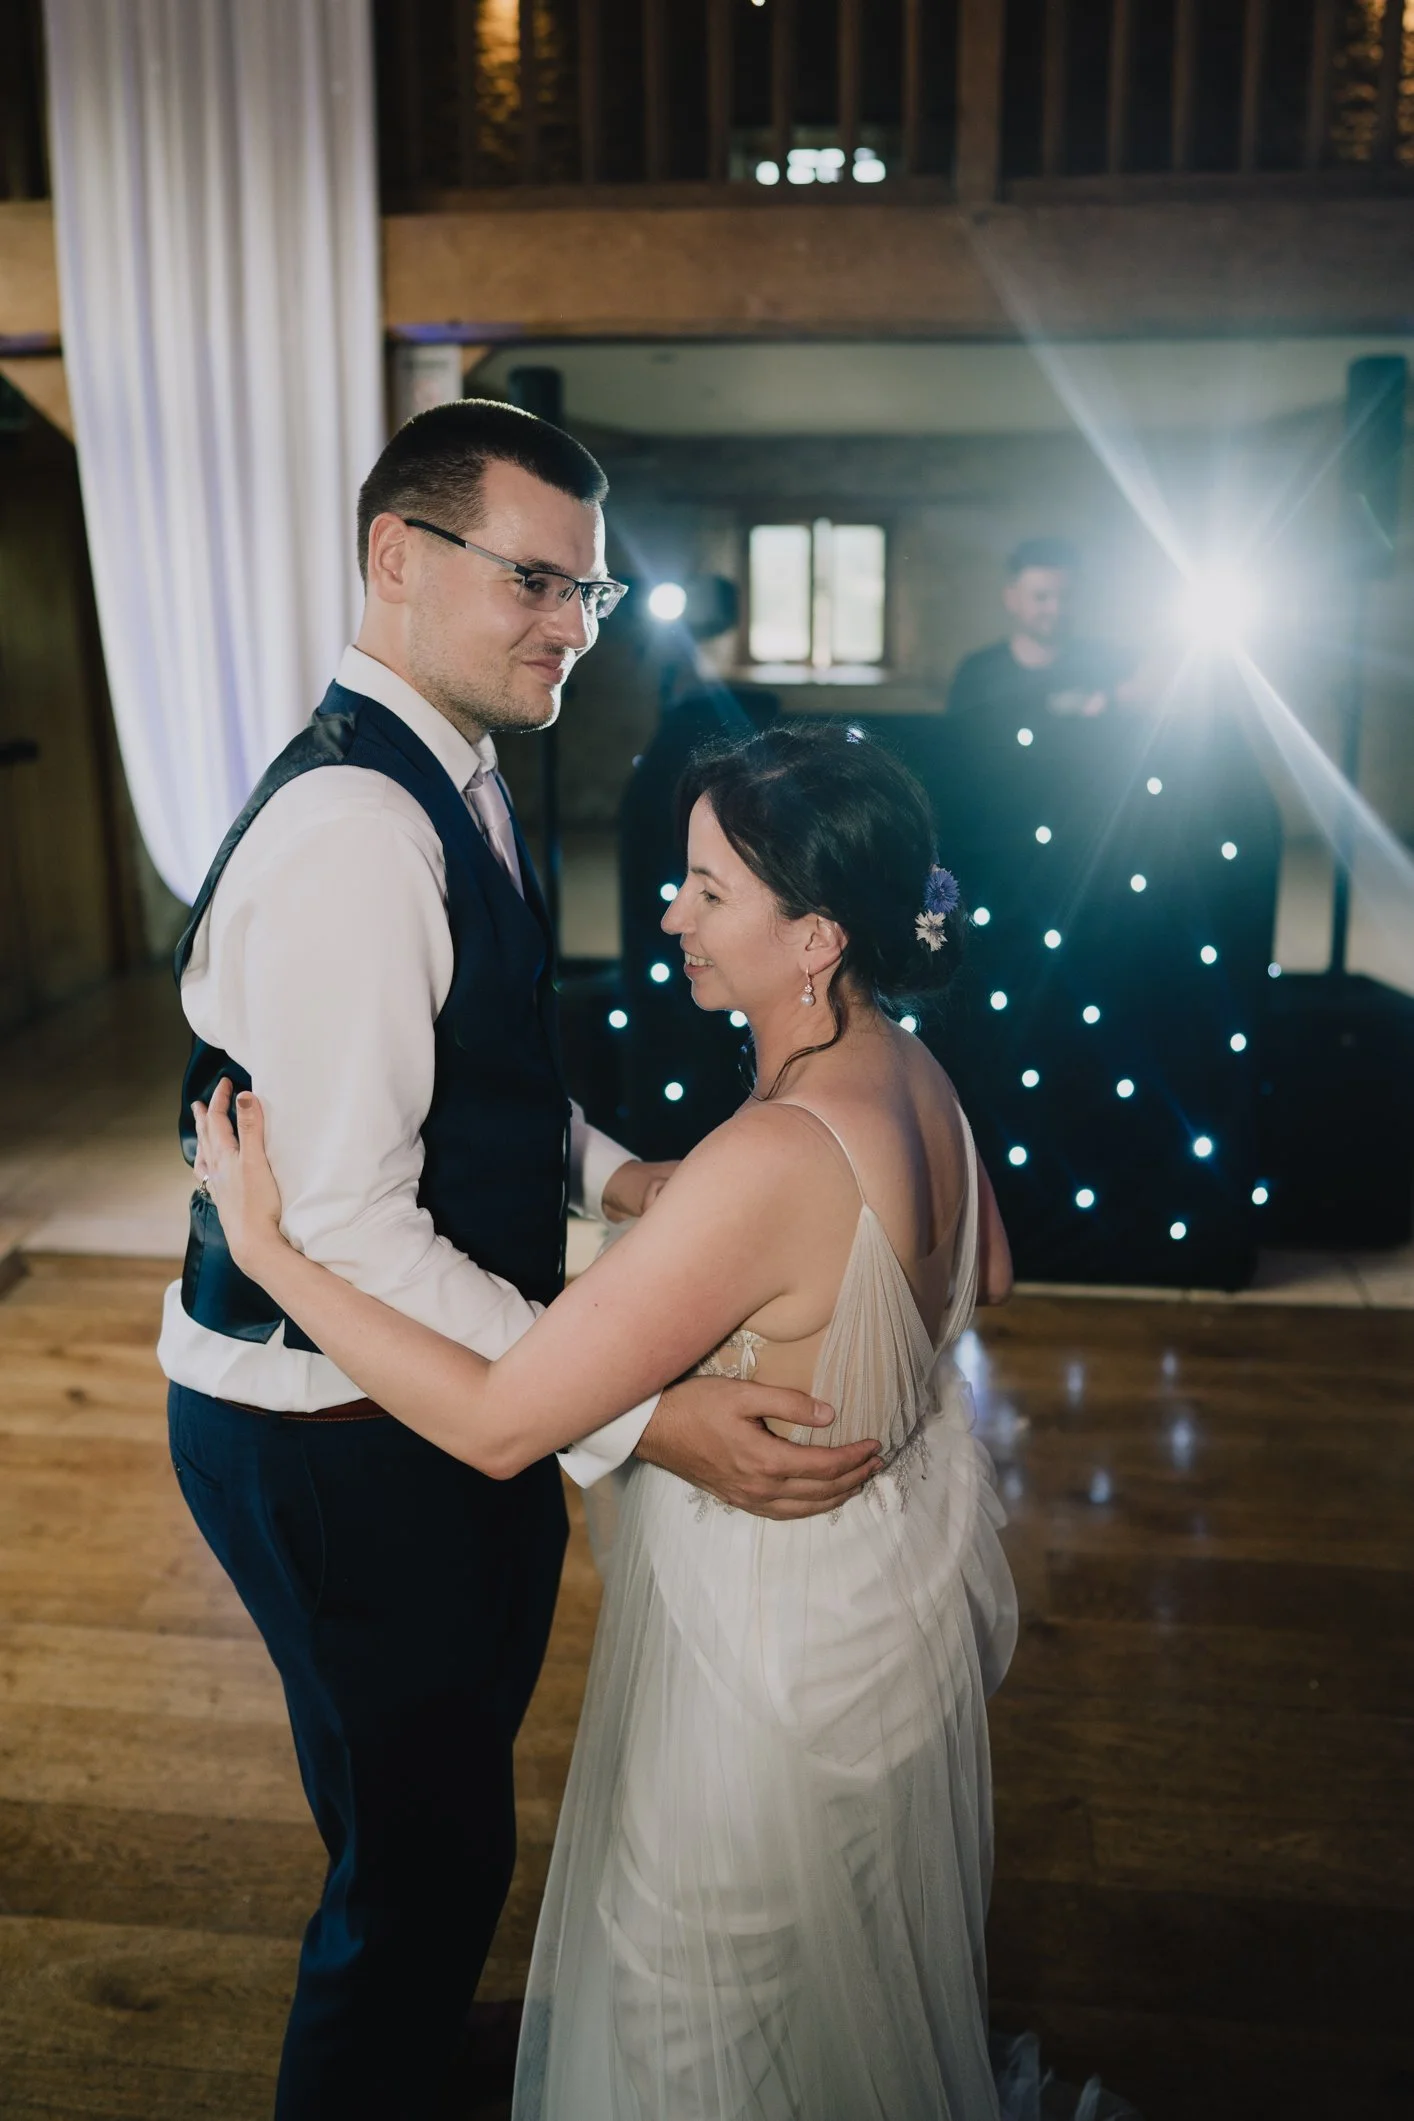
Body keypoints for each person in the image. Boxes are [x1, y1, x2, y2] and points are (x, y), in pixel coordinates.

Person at [157, 404, 879, 2121]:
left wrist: (621, 1179)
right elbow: (349, 1229)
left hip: (416, 1412)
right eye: (533, 580)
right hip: (327, 1430)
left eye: (588, 590)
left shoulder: (453, 776)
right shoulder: (359, 827)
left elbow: (479, 1071)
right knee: (414, 1874)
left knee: (439, 1818)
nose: (572, 623)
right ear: (396, 558)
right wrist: (636, 1414)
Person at [192, 719, 1023, 2120]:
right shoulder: (913, 1070)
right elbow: (983, 1268)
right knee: (821, 1983)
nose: (672, 913)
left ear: (813, 937)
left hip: (768, 1648)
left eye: (709, 889)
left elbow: (497, 1421)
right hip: (890, 1593)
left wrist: (275, 1256)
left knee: (686, 2001)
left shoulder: (770, 1154)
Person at [947, 536, 1141, 730]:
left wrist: (1115, 698)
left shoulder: (1101, 662)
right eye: (1041, 597)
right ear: (1011, 598)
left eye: (1066, 596)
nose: (1055, 609)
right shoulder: (978, 675)